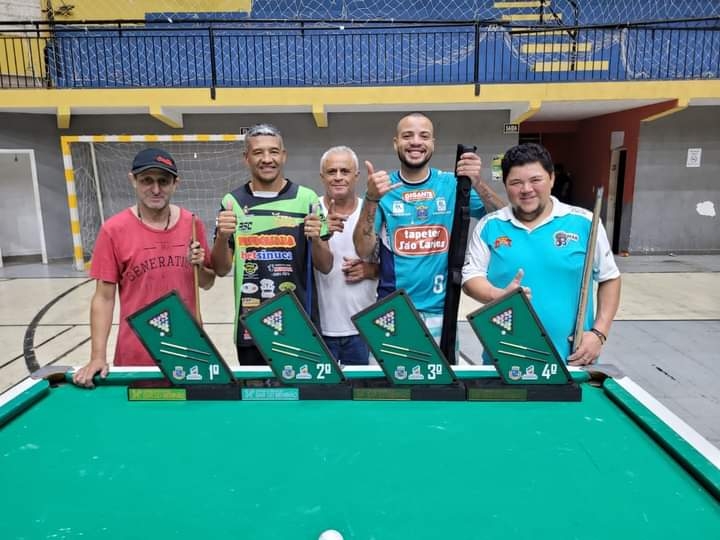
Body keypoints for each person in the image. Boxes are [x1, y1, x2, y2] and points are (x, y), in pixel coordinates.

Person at [462, 142, 621, 365]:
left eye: (536, 180)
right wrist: (496, 295)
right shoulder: (490, 226)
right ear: (506, 185)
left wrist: (599, 333)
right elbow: (470, 278)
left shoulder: (585, 223)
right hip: (504, 358)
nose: (526, 189)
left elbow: (609, 278)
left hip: (571, 359)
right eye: (516, 182)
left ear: (552, 179)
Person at [353, 112, 505, 341]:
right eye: (407, 135)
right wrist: (372, 199)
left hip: (442, 314)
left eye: (424, 136)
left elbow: (502, 219)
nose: (415, 141)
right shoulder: (381, 190)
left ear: (433, 143)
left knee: (444, 378)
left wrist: (478, 183)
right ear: (396, 143)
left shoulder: (451, 185)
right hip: (393, 312)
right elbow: (363, 251)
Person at [73, 148, 215, 387]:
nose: (156, 189)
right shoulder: (113, 230)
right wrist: (97, 356)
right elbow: (104, 299)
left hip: (189, 348)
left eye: (163, 181)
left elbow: (207, 282)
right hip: (136, 352)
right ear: (133, 181)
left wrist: (199, 265)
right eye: (147, 180)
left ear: (175, 183)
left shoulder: (192, 223)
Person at [211, 123, 332, 365]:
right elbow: (221, 269)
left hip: (299, 322)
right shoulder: (232, 201)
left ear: (283, 155)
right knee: (257, 400)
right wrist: (223, 237)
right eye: (258, 153)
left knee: (299, 401)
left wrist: (317, 239)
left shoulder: (306, 199)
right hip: (250, 322)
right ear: (246, 158)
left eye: (273, 151)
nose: (267, 159)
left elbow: (326, 265)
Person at [315, 146, 379, 365]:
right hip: (318, 329)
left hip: (364, 328)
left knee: (365, 396)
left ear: (357, 176)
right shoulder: (310, 211)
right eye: (332, 172)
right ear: (322, 176)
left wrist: (371, 270)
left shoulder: (373, 212)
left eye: (345, 171)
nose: (338, 177)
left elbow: (395, 265)